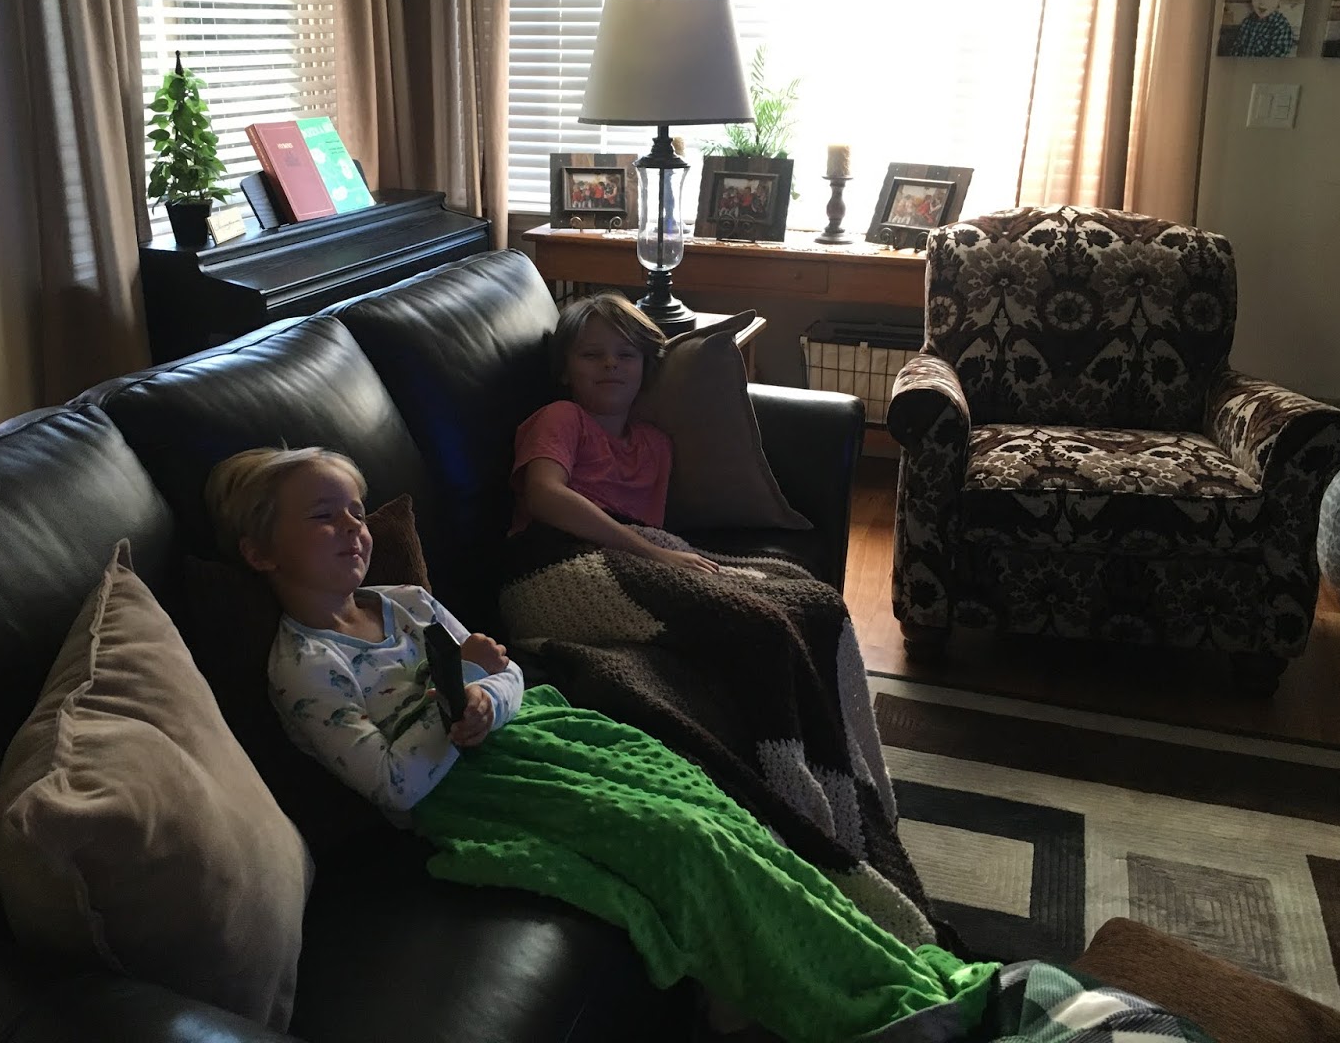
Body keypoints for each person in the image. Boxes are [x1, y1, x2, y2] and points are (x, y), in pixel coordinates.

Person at [204, 444, 999, 1043]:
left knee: (717, 807)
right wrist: (454, 713)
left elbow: (506, 674)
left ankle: (892, 964)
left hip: (538, 730)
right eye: (323, 516)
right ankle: (864, 1013)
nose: (353, 528)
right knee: (684, 841)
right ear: (260, 552)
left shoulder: (407, 603)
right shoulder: (305, 668)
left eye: (355, 510)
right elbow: (394, 785)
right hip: (476, 792)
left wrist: (485, 695)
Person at [512, 291, 718, 572]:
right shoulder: (563, 417)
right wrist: (652, 553)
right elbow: (543, 496)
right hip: (557, 554)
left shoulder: (656, 444)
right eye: (591, 355)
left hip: (638, 556)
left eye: (626, 354)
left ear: (645, 368)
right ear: (564, 371)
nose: (610, 363)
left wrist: (657, 553)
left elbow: (656, 530)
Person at [1228, 0, 1298, 57]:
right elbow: (1235, 51)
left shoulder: (1281, 27)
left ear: (1280, 1)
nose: (1262, 2)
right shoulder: (1248, 22)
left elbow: (1274, 60)